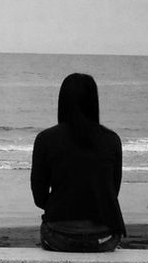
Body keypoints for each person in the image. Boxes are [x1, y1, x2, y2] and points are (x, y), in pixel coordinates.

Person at [31, 72, 127, 252]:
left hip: (59, 236)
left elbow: (39, 197)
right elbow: (113, 191)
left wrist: (64, 204)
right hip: (105, 237)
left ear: (62, 102)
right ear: (94, 102)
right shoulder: (111, 140)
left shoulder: (45, 139)